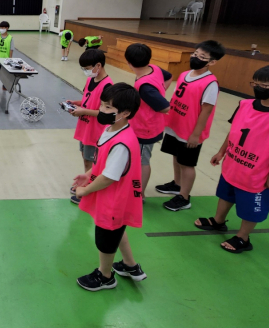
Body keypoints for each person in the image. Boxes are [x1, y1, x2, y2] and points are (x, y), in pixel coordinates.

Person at [194, 65, 269, 254]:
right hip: (234, 163)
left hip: (258, 174)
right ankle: (218, 221)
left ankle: (243, 237)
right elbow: (234, 131)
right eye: (256, 83)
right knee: (225, 194)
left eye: (265, 85)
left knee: (250, 208)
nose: (258, 88)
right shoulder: (245, 105)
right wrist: (222, 152)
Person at [73, 83, 146, 291]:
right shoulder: (111, 129)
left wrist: (85, 191)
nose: (102, 111)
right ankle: (130, 265)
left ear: (124, 113)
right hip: (114, 198)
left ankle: (105, 276)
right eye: (103, 105)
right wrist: (87, 175)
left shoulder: (122, 143)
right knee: (117, 229)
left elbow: (108, 177)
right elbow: (103, 163)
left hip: (114, 199)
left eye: (107, 108)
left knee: (106, 239)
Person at [156, 40, 226, 211]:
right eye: (195, 54)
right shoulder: (185, 74)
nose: (196, 58)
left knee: (187, 163)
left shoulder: (210, 83)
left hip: (190, 131)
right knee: (176, 156)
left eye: (202, 57)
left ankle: (184, 197)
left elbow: (206, 111)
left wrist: (196, 134)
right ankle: (177, 184)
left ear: (212, 62)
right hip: (175, 124)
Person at [124, 43, 172, 199]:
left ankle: (140, 194)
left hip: (146, 129)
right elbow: (169, 76)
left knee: (142, 161)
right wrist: (161, 90)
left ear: (129, 62)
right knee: (135, 159)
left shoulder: (144, 87)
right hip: (139, 125)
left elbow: (164, 107)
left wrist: (155, 98)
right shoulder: (154, 68)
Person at [67, 49, 113, 204]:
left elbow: (104, 113)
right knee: (86, 158)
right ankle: (86, 182)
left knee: (94, 161)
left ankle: (89, 190)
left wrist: (83, 111)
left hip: (96, 131)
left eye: (87, 68)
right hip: (85, 127)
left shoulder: (107, 86)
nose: (86, 72)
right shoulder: (91, 80)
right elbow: (87, 100)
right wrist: (76, 104)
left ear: (98, 65)